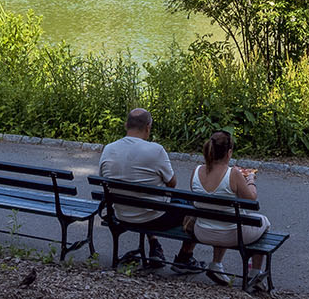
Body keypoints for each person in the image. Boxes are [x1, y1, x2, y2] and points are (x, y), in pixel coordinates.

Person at [98, 107, 201, 273]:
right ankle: (184, 257)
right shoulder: (156, 150)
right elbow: (172, 183)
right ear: (148, 127)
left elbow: (104, 180)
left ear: (126, 125)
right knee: (195, 207)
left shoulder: (108, 149)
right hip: (154, 218)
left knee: (147, 198)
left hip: (121, 214)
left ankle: (154, 245)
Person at [190, 130, 271, 292]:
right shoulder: (233, 174)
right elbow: (251, 199)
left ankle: (216, 265)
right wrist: (250, 180)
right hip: (231, 234)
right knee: (264, 222)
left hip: (202, 231)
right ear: (229, 152)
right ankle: (254, 273)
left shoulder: (197, 170)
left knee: (223, 216)